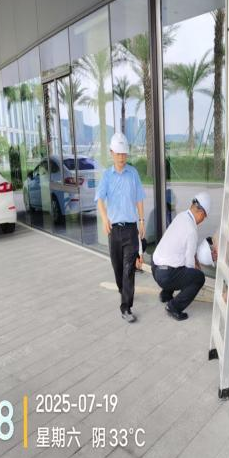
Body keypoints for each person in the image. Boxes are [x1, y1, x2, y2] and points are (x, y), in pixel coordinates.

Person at [96, 132, 145, 323]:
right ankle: (122, 289)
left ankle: (126, 307)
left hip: (131, 229)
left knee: (128, 270)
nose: (122, 157)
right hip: (114, 230)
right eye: (118, 154)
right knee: (118, 268)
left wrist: (142, 221)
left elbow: (139, 198)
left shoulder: (133, 174)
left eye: (124, 154)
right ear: (112, 153)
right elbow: (100, 199)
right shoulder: (107, 176)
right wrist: (104, 218)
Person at [151, 192, 211, 321]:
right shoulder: (191, 230)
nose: (203, 220)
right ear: (201, 213)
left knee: (176, 262)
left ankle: (166, 294)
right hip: (165, 276)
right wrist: (197, 271)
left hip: (155, 267)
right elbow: (189, 264)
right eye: (204, 217)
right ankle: (173, 307)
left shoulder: (181, 216)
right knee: (198, 278)